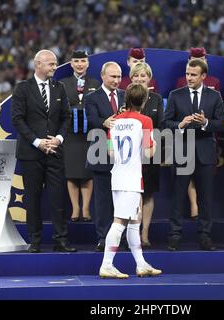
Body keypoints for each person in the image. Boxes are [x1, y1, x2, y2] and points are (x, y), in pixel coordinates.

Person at [11, 49, 76, 253]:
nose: (55, 67)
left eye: (55, 64)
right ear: (37, 64)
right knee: (32, 197)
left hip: (55, 151)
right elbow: (17, 119)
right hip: (31, 154)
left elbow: (67, 117)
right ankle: (35, 240)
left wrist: (58, 138)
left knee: (58, 198)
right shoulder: (22, 88)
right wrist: (37, 142)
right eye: (51, 64)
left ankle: (61, 240)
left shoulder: (60, 87)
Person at [99, 83, 161, 279]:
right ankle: (106, 265)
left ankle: (141, 264)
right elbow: (149, 153)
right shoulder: (145, 120)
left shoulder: (114, 121)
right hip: (131, 178)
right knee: (119, 223)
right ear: (143, 101)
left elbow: (110, 151)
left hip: (117, 175)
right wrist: (156, 143)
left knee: (134, 221)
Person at [163, 58, 224, 251]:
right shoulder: (175, 95)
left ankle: (205, 236)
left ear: (203, 76)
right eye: (187, 74)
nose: (189, 78)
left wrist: (206, 123)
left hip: (205, 153)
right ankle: (174, 235)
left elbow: (221, 125)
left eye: (193, 75)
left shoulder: (215, 96)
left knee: (205, 198)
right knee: (178, 196)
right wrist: (180, 125)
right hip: (182, 151)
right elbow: (166, 123)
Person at [85, 61, 125, 252]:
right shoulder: (92, 97)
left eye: (119, 77)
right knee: (102, 200)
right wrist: (105, 122)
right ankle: (103, 237)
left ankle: (120, 237)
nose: (117, 80)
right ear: (103, 76)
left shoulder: (126, 96)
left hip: (123, 156)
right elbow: (91, 120)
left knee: (121, 199)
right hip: (100, 153)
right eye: (113, 76)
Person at [60, 50, 100, 223]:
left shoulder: (95, 83)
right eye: (76, 61)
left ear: (88, 63)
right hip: (70, 134)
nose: (79, 64)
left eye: (83, 61)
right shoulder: (63, 83)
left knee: (87, 172)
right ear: (71, 64)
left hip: (89, 134)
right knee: (71, 172)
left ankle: (86, 208)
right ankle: (75, 209)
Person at [129, 62, 163, 249]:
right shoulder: (125, 97)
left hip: (150, 154)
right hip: (130, 156)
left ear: (149, 78)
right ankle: (132, 234)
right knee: (133, 196)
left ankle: (145, 234)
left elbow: (160, 126)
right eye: (136, 76)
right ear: (131, 78)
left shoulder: (157, 99)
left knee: (148, 194)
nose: (140, 79)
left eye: (143, 76)